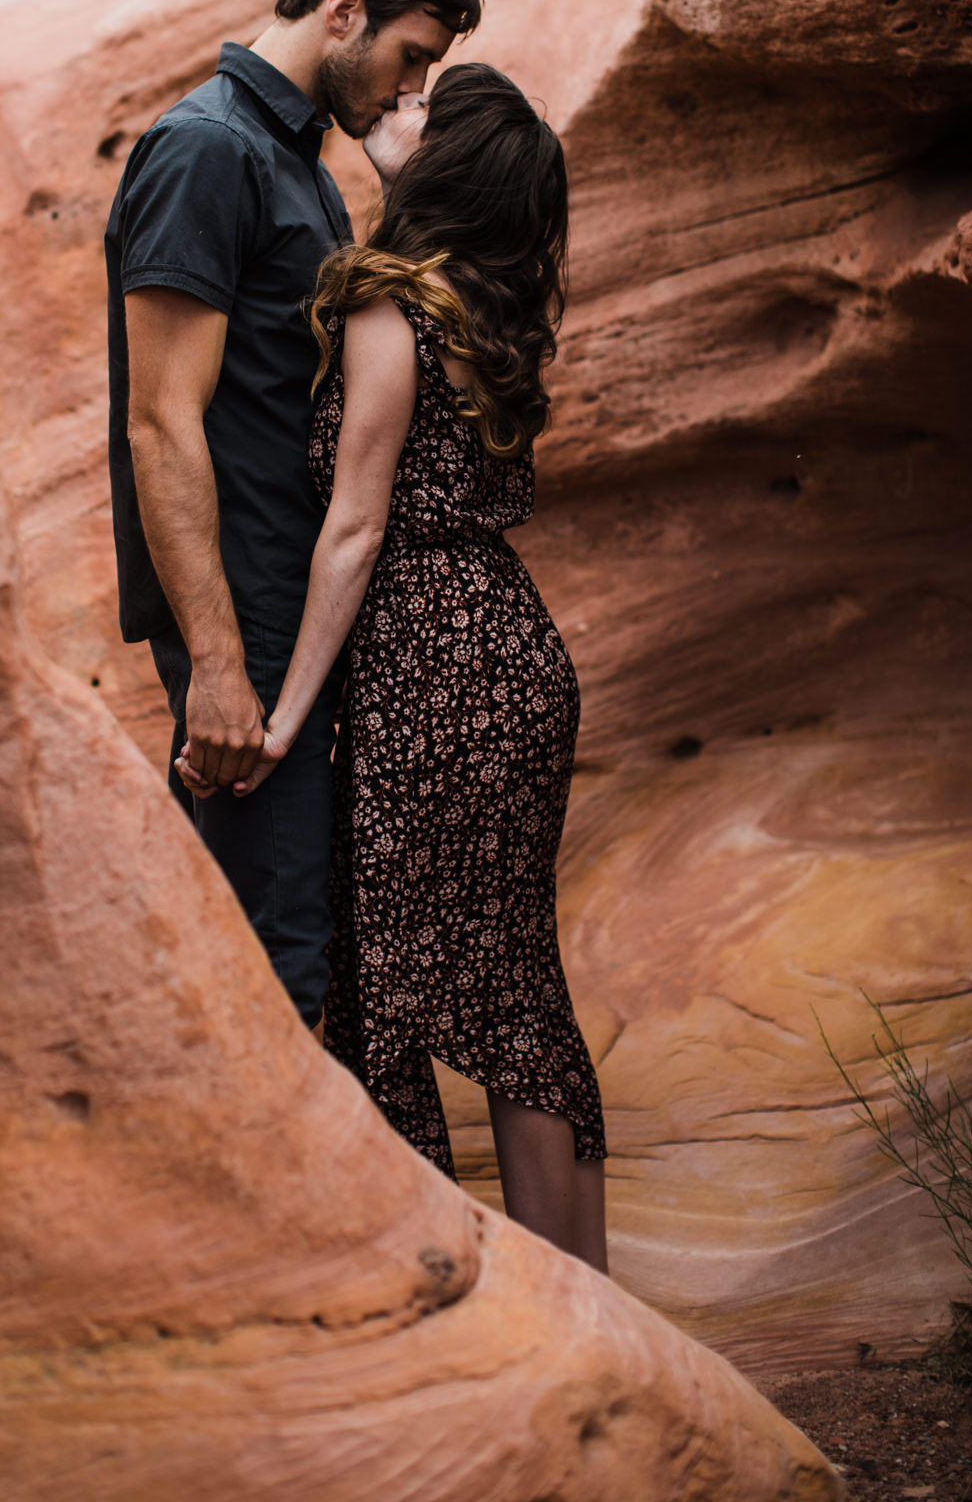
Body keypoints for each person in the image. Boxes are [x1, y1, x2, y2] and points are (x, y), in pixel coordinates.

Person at [178, 63, 608, 1269]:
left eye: (427, 110)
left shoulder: (389, 309)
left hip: (427, 661)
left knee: (403, 981)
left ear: (448, 165)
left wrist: (285, 713)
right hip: (512, 651)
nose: (396, 108)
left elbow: (355, 528)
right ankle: (596, 1306)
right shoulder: (486, 304)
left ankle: (506, 1315)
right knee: (514, 984)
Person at [105, 0, 483, 1031]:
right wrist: (219, 662)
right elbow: (161, 420)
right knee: (271, 968)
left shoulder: (297, 161)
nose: (409, 91)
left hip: (289, 613)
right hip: (250, 620)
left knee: (297, 945)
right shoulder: (204, 151)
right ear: (344, 8)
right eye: (409, 59)